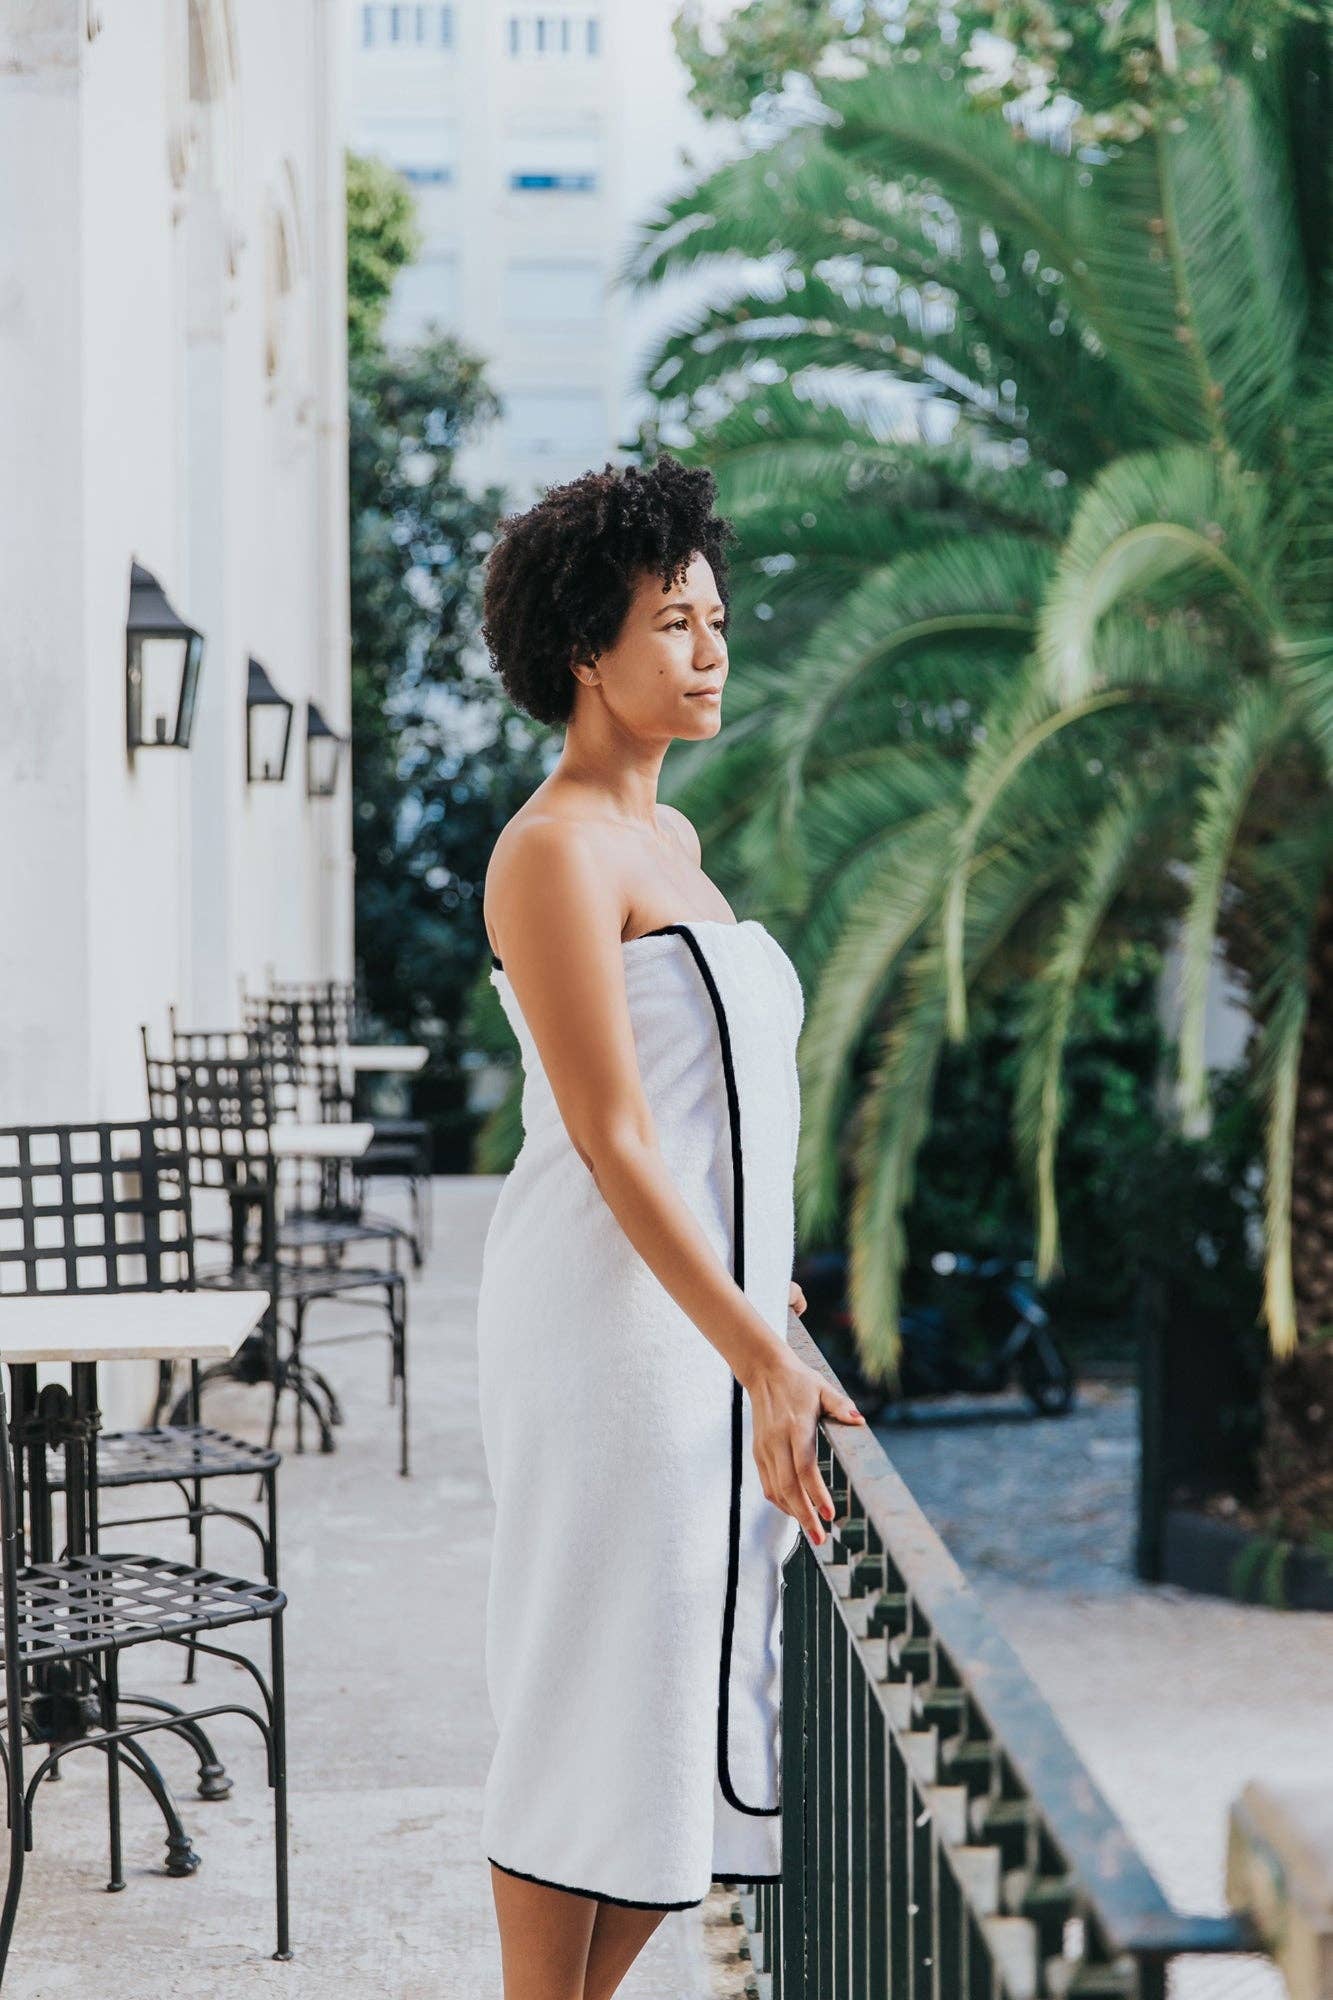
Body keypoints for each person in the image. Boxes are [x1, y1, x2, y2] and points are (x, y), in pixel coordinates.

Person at [476, 454, 866, 2000]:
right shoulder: (552, 847)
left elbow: (721, 1124)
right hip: (606, 1330)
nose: (711, 651)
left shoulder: (673, 852)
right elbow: (614, 1133)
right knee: (588, 1689)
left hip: (699, 1316)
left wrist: (765, 1311)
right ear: (587, 652)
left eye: (715, 618)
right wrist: (754, 1349)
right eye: (674, 624)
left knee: (679, 1707)